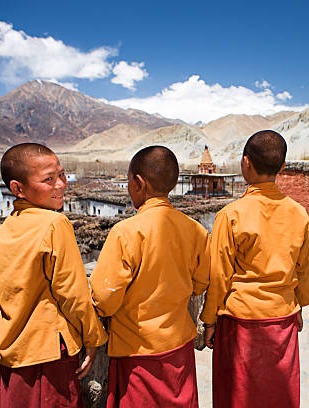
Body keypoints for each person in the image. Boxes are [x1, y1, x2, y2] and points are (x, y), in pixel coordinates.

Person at [0, 143, 108, 408]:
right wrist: (93, 338)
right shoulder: (54, 224)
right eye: (48, 179)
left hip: (14, 353)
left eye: (61, 175)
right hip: (49, 354)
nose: (61, 185)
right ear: (18, 188)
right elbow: (72, 294)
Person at [89, 145, 210, 408]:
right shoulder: (196, 231)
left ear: (138, 182)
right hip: (179, 348)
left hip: (137, 351)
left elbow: (105, 297)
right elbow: (200, 285)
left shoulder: (125, 232)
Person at [200, 130, 309, 408]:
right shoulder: (298, 213)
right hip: (282, 317)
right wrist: (299, 304)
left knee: (236, 396)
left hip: (240, 322)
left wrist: (210, 320)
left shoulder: (231, 214)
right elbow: (304, 268)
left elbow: (219, 275)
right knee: (277, 396)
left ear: (245, 163)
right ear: (282, 167)